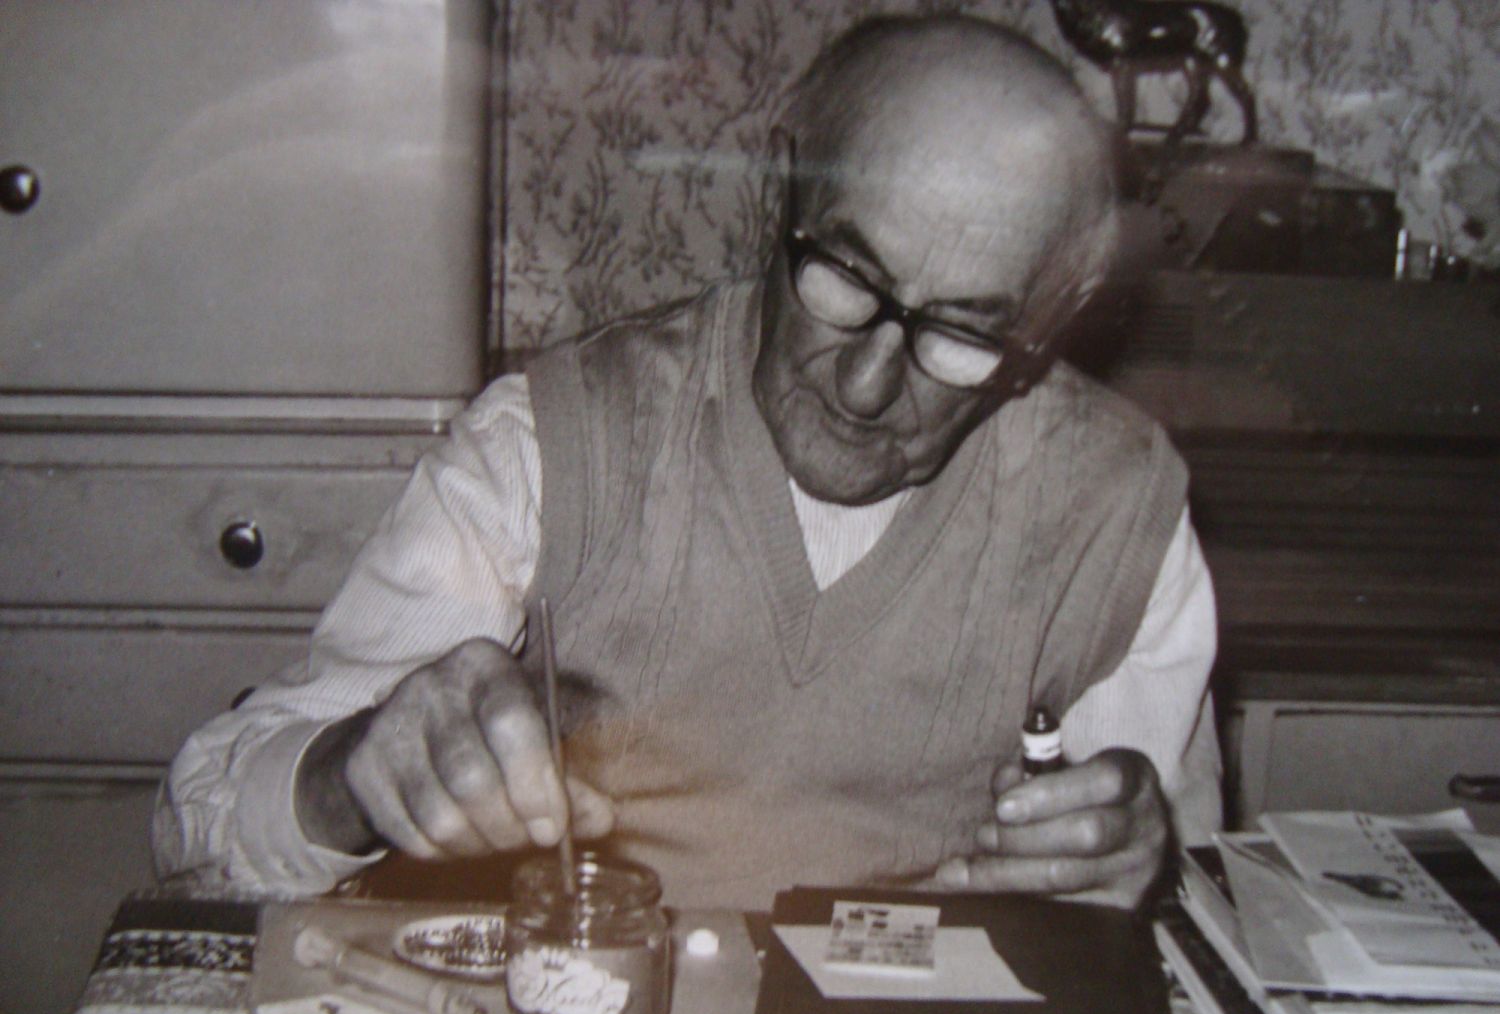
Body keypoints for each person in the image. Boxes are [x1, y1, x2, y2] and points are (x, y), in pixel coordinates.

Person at [153, 14, 1221, 911]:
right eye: (844, 277)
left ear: (1054, 322)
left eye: (962, 336)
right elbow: (196, 827)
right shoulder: (551, 446)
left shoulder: (1115, 507)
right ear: (777, 200)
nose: (864, 388)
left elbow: (1204, 920)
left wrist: (1145, 864)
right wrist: (350, 777)